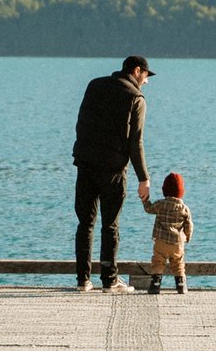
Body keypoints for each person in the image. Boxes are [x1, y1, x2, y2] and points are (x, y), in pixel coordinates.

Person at [71, 54, 153, 291]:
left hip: (85, 164)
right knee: (110, 225)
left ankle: (82, 280)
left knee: (85, 223)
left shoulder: (94, 86)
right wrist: (143, 178)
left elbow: (81, 123)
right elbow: (135, 143)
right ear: (137, 71)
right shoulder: (136, 98)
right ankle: (109, 280)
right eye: (146, 76)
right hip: (113, 170)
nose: (146, 82)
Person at [144, 172, 191, 294]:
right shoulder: (184, 208)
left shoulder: (160, 204)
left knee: (158, 262)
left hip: (161, 241)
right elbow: (189, 226)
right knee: (178, 263)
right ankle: (181, 285)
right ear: (181, 191)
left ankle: (155, 285)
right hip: (177, 244)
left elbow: (148, 209)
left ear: (164, 190)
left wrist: (145, 199)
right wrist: (188, 237)